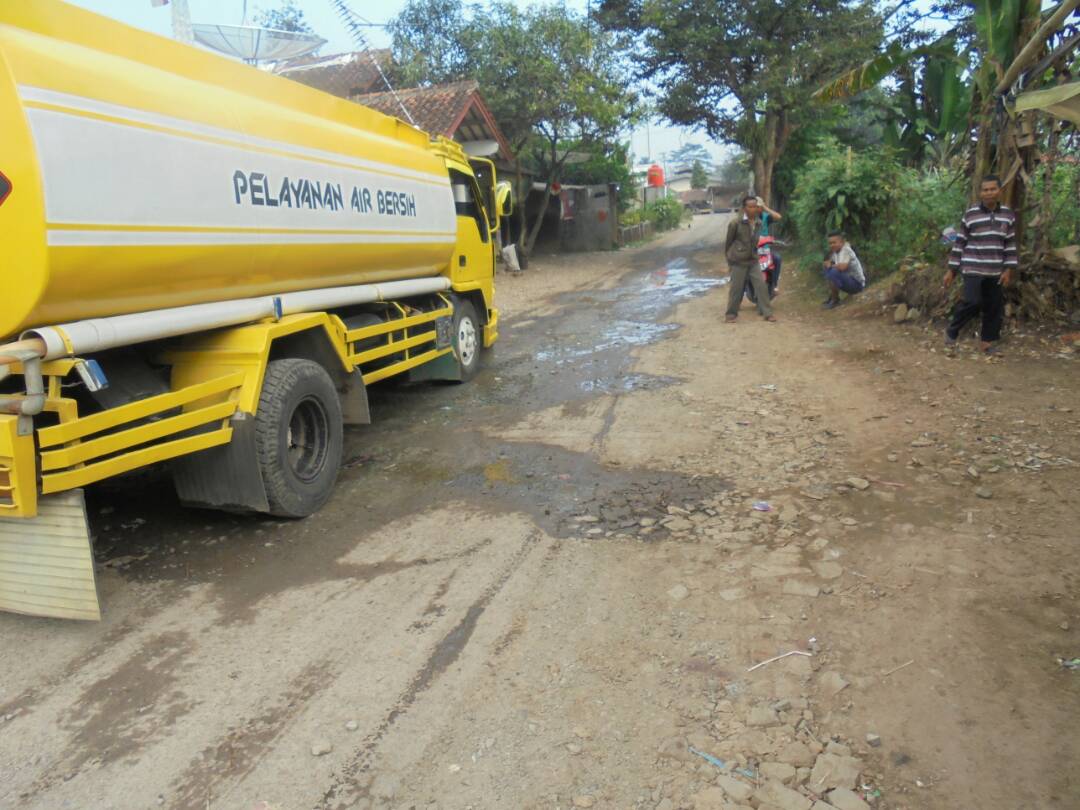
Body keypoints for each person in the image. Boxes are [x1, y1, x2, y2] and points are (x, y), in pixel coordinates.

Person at [944, 175, 1017, 354]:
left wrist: (1008, 269)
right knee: (972, 301)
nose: (989, 193)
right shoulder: (971, 214)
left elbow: (1010, 243)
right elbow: (960, 242)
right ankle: (952, 330)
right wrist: (951, 271)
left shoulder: (1007, 215)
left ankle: (987, 343)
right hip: (972, 266)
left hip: (995, 268)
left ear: (1000, 191)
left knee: (994, 306)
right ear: (980, 192)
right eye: (985, 190)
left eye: (993, 189)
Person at [725, 196, 776, 323]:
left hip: (753, 260)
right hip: (738, 261)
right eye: (750, 207)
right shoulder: (735, 223)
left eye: (755, 206)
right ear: (744, 208)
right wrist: (730, 260)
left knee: (761, 286)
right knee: (736, 289)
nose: (753, 209)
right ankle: (731, 314)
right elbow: (729, 243)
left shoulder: (759, 223)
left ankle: (768, 313)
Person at [821, 231, 866, 309]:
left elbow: (843, 267)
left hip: (857, 284)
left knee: (833, 272)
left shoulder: (846, 250)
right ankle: (833, 297)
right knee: (828, 269)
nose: (832, 245)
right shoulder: (835, 252)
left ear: (842, 242)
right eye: (830, 243)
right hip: (848, 281)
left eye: (834, 243)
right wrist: (827, 264)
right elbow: (826, 263)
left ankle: (835, 300)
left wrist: (831, 265)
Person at [756, 197, 783, 293]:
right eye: (754, 206)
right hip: (751, 250)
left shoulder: (765, 217)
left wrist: (766, 208)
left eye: (758, 206)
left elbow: (778, 217)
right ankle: (741, 288)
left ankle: (774, 284)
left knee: (777, 258)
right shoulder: (748, 219)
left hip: (764, 249)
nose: (756, 208)